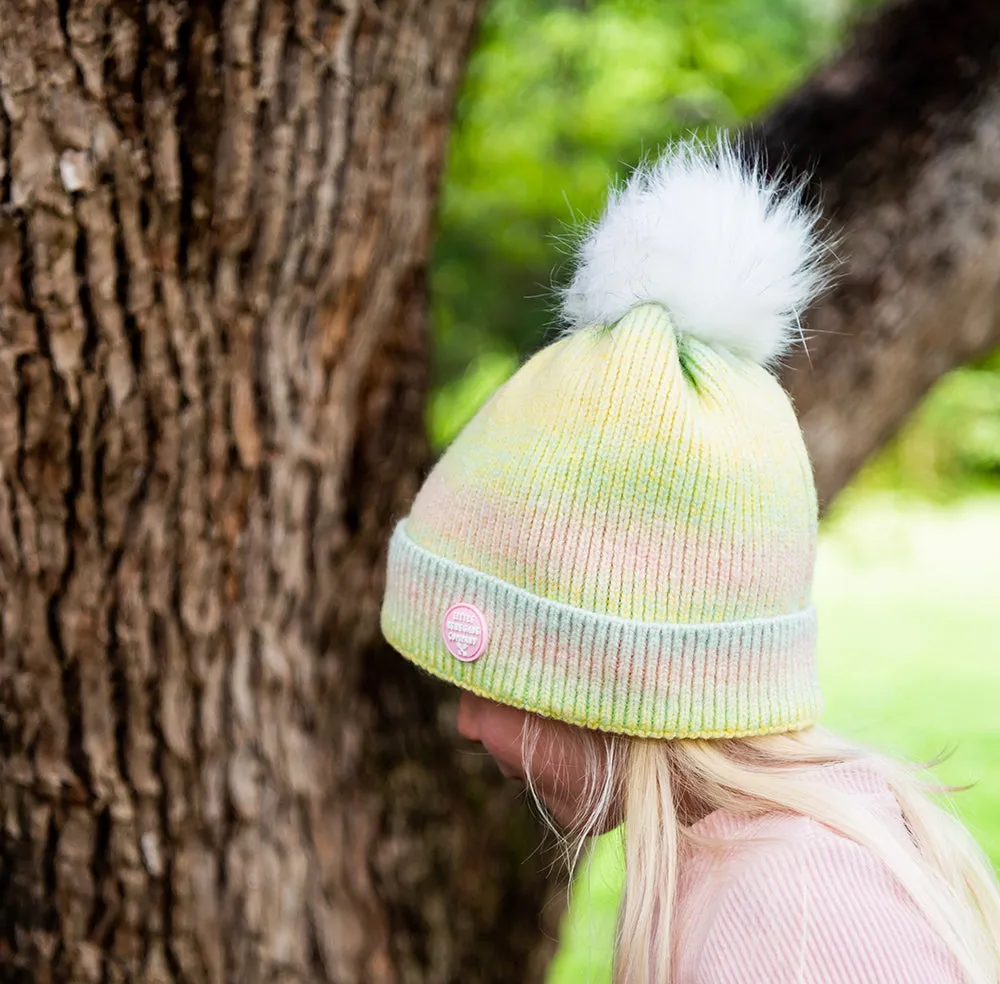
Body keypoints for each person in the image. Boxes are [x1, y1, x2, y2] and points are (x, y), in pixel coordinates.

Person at [379, 137, 1000, 983]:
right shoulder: (744, 875)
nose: (466, 720)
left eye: (485, 676)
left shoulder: (799, 918)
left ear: (610, 676)